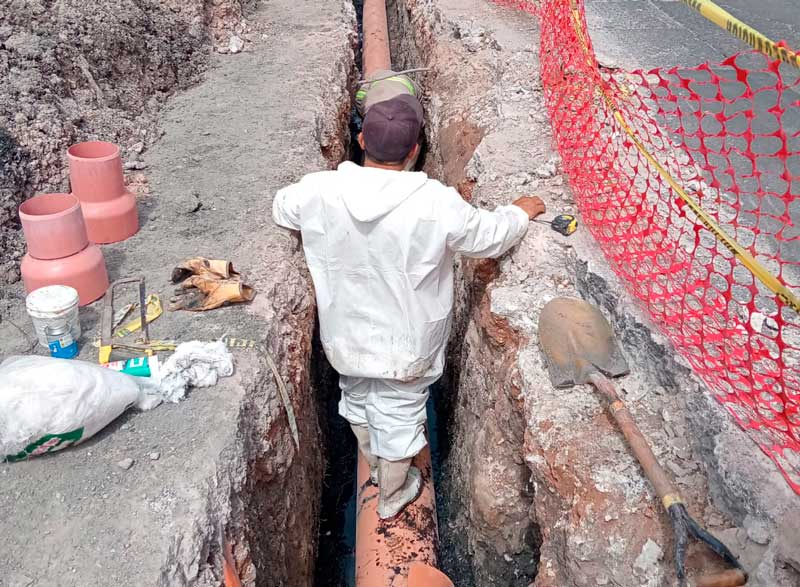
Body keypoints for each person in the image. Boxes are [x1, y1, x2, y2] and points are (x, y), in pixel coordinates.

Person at [272, 95, 545, 519]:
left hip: (346, 337)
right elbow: (490, 236)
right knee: (399, 417)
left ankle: (376, 467)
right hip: (406, 345)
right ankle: (393, 494)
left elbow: (281, 207)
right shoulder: (436, 202)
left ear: (361, 139)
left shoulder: (319, 190)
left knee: (357, 397)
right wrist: (521, 212)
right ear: (416, 150)